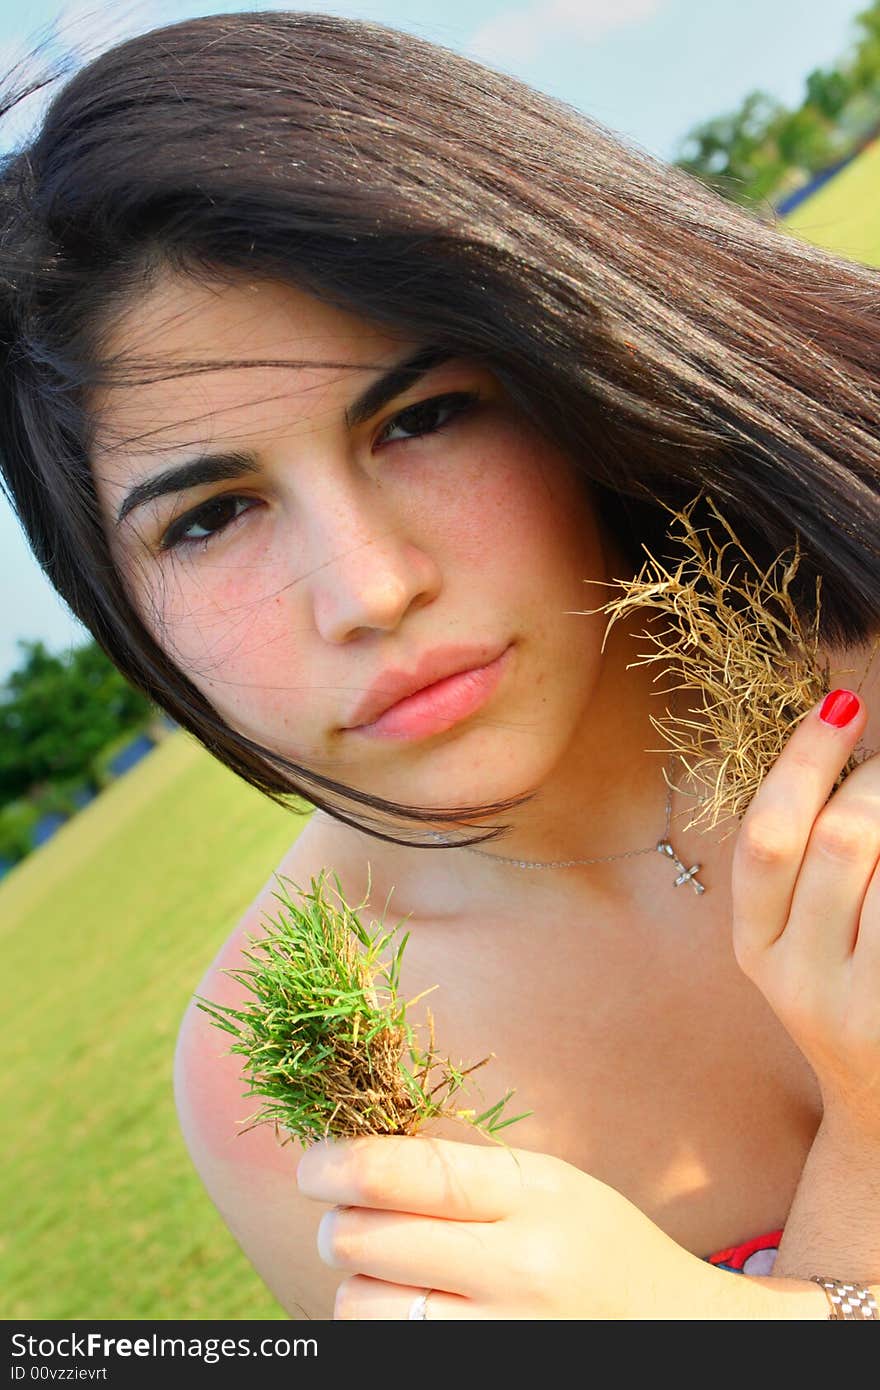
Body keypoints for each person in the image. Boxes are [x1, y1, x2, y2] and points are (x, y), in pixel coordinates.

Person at [1, 10, 879, 1321]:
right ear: (116, 597)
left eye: (421, 417)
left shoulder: (853, 631)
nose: (369, 587)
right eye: (211, 515)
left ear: (562, 359)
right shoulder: (291, 1071)